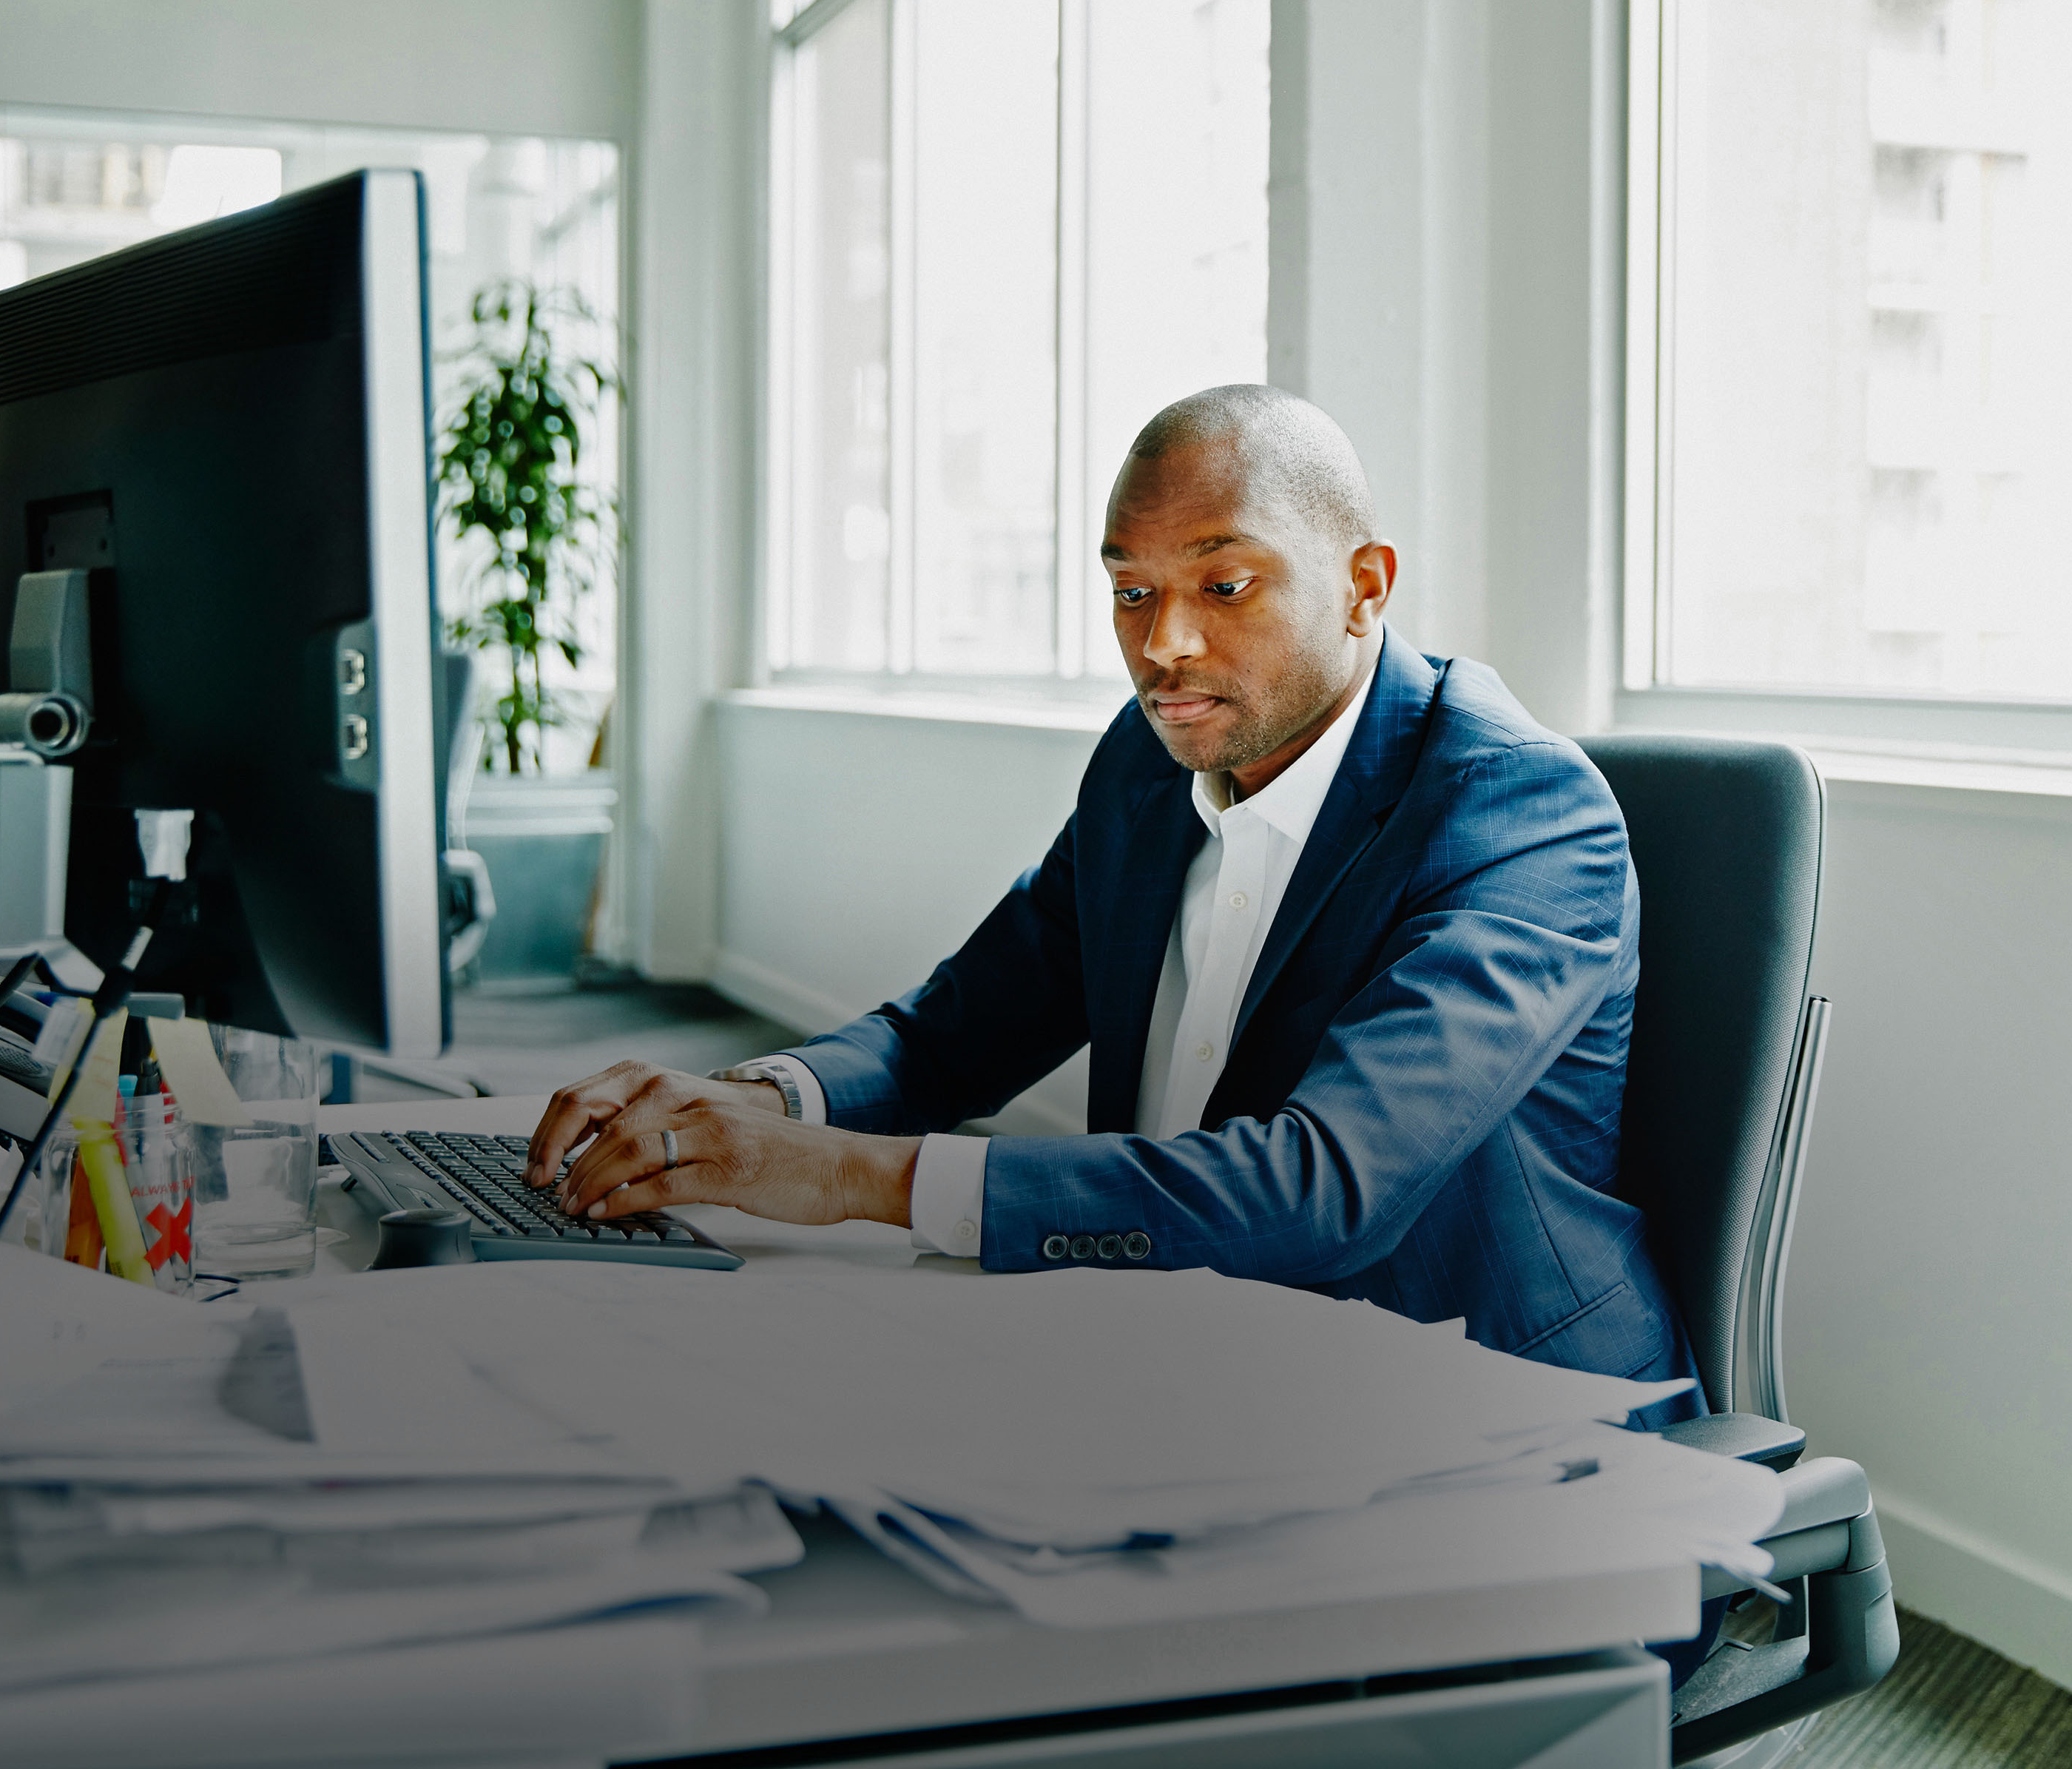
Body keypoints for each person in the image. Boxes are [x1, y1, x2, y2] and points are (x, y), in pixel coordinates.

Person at [525, 383, 1698, 1409]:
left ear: (1364, 588)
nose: (1163, 646)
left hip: (1483, 1412)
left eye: (1224, 584)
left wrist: (839, 1175)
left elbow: (1318, 1189)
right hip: (1184, 1353)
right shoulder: (1150, 767)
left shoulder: (1518, 814)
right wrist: (749, 1102)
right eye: (1131, 593)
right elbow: (947, 1038)